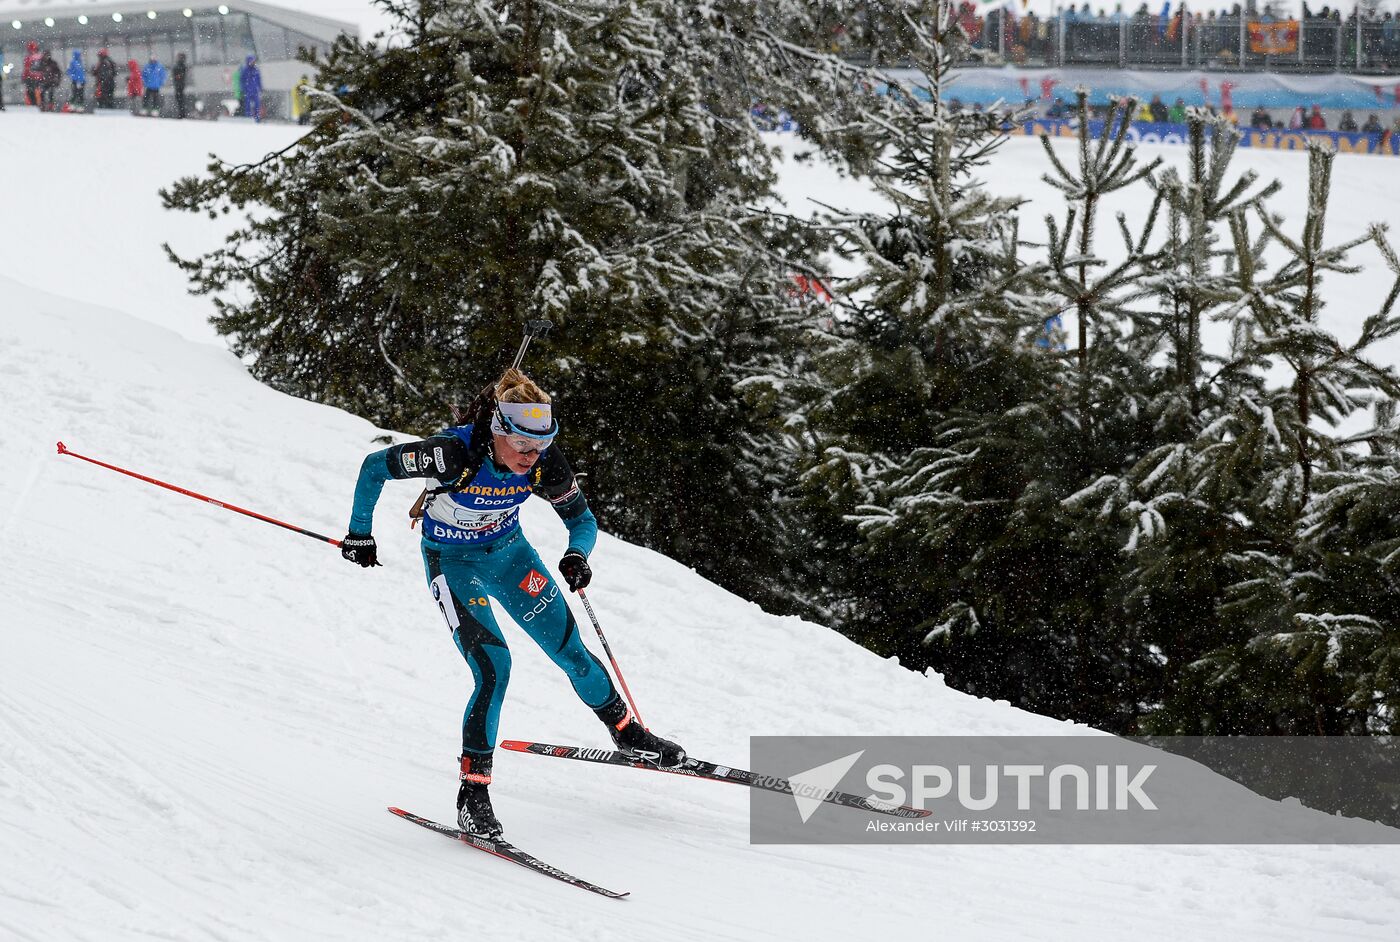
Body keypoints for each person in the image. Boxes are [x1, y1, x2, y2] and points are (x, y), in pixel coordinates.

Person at [340, 368, 686, 839]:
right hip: (454, 563)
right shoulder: (452, 452)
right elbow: (374, 466)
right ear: (500, 430)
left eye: (539, 445)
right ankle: (473, 794)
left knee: (573, 653)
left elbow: (582, 519)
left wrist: (577, 554)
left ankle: (629, 735)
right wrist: (360, 532)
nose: (531, 456)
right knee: (494, 668)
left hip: (510, 555)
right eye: (522, 444)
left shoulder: (545, 461)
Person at [241, 55, 262, 122]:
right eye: (251, 61)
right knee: (248, 106)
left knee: (257, 105)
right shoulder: (245, 70)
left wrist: (260, 88)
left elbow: (259, 80)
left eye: (253, 61)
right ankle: (248, 119)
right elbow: (242, 80)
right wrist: (243, 89)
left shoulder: (256, 70)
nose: (253, 62)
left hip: (255, 91)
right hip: (248, 91)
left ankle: (257, 119)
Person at [21, 41, 42, 107]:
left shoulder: (28, 57)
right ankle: (39, 103)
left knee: (30, 92)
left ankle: (32, 104)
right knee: (38, 91)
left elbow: (26, 68)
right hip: (39, 77)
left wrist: (24, 77)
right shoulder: (40, 56)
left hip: (30, 77)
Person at [172, 53, 188, 119]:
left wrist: (177, 77)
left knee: (180, 100)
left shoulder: (180, 66)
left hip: (179, 85)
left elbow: (178, 75)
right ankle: (182, 113)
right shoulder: (182, 65)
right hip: (180, 84)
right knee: (180, 100)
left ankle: (181, 114)